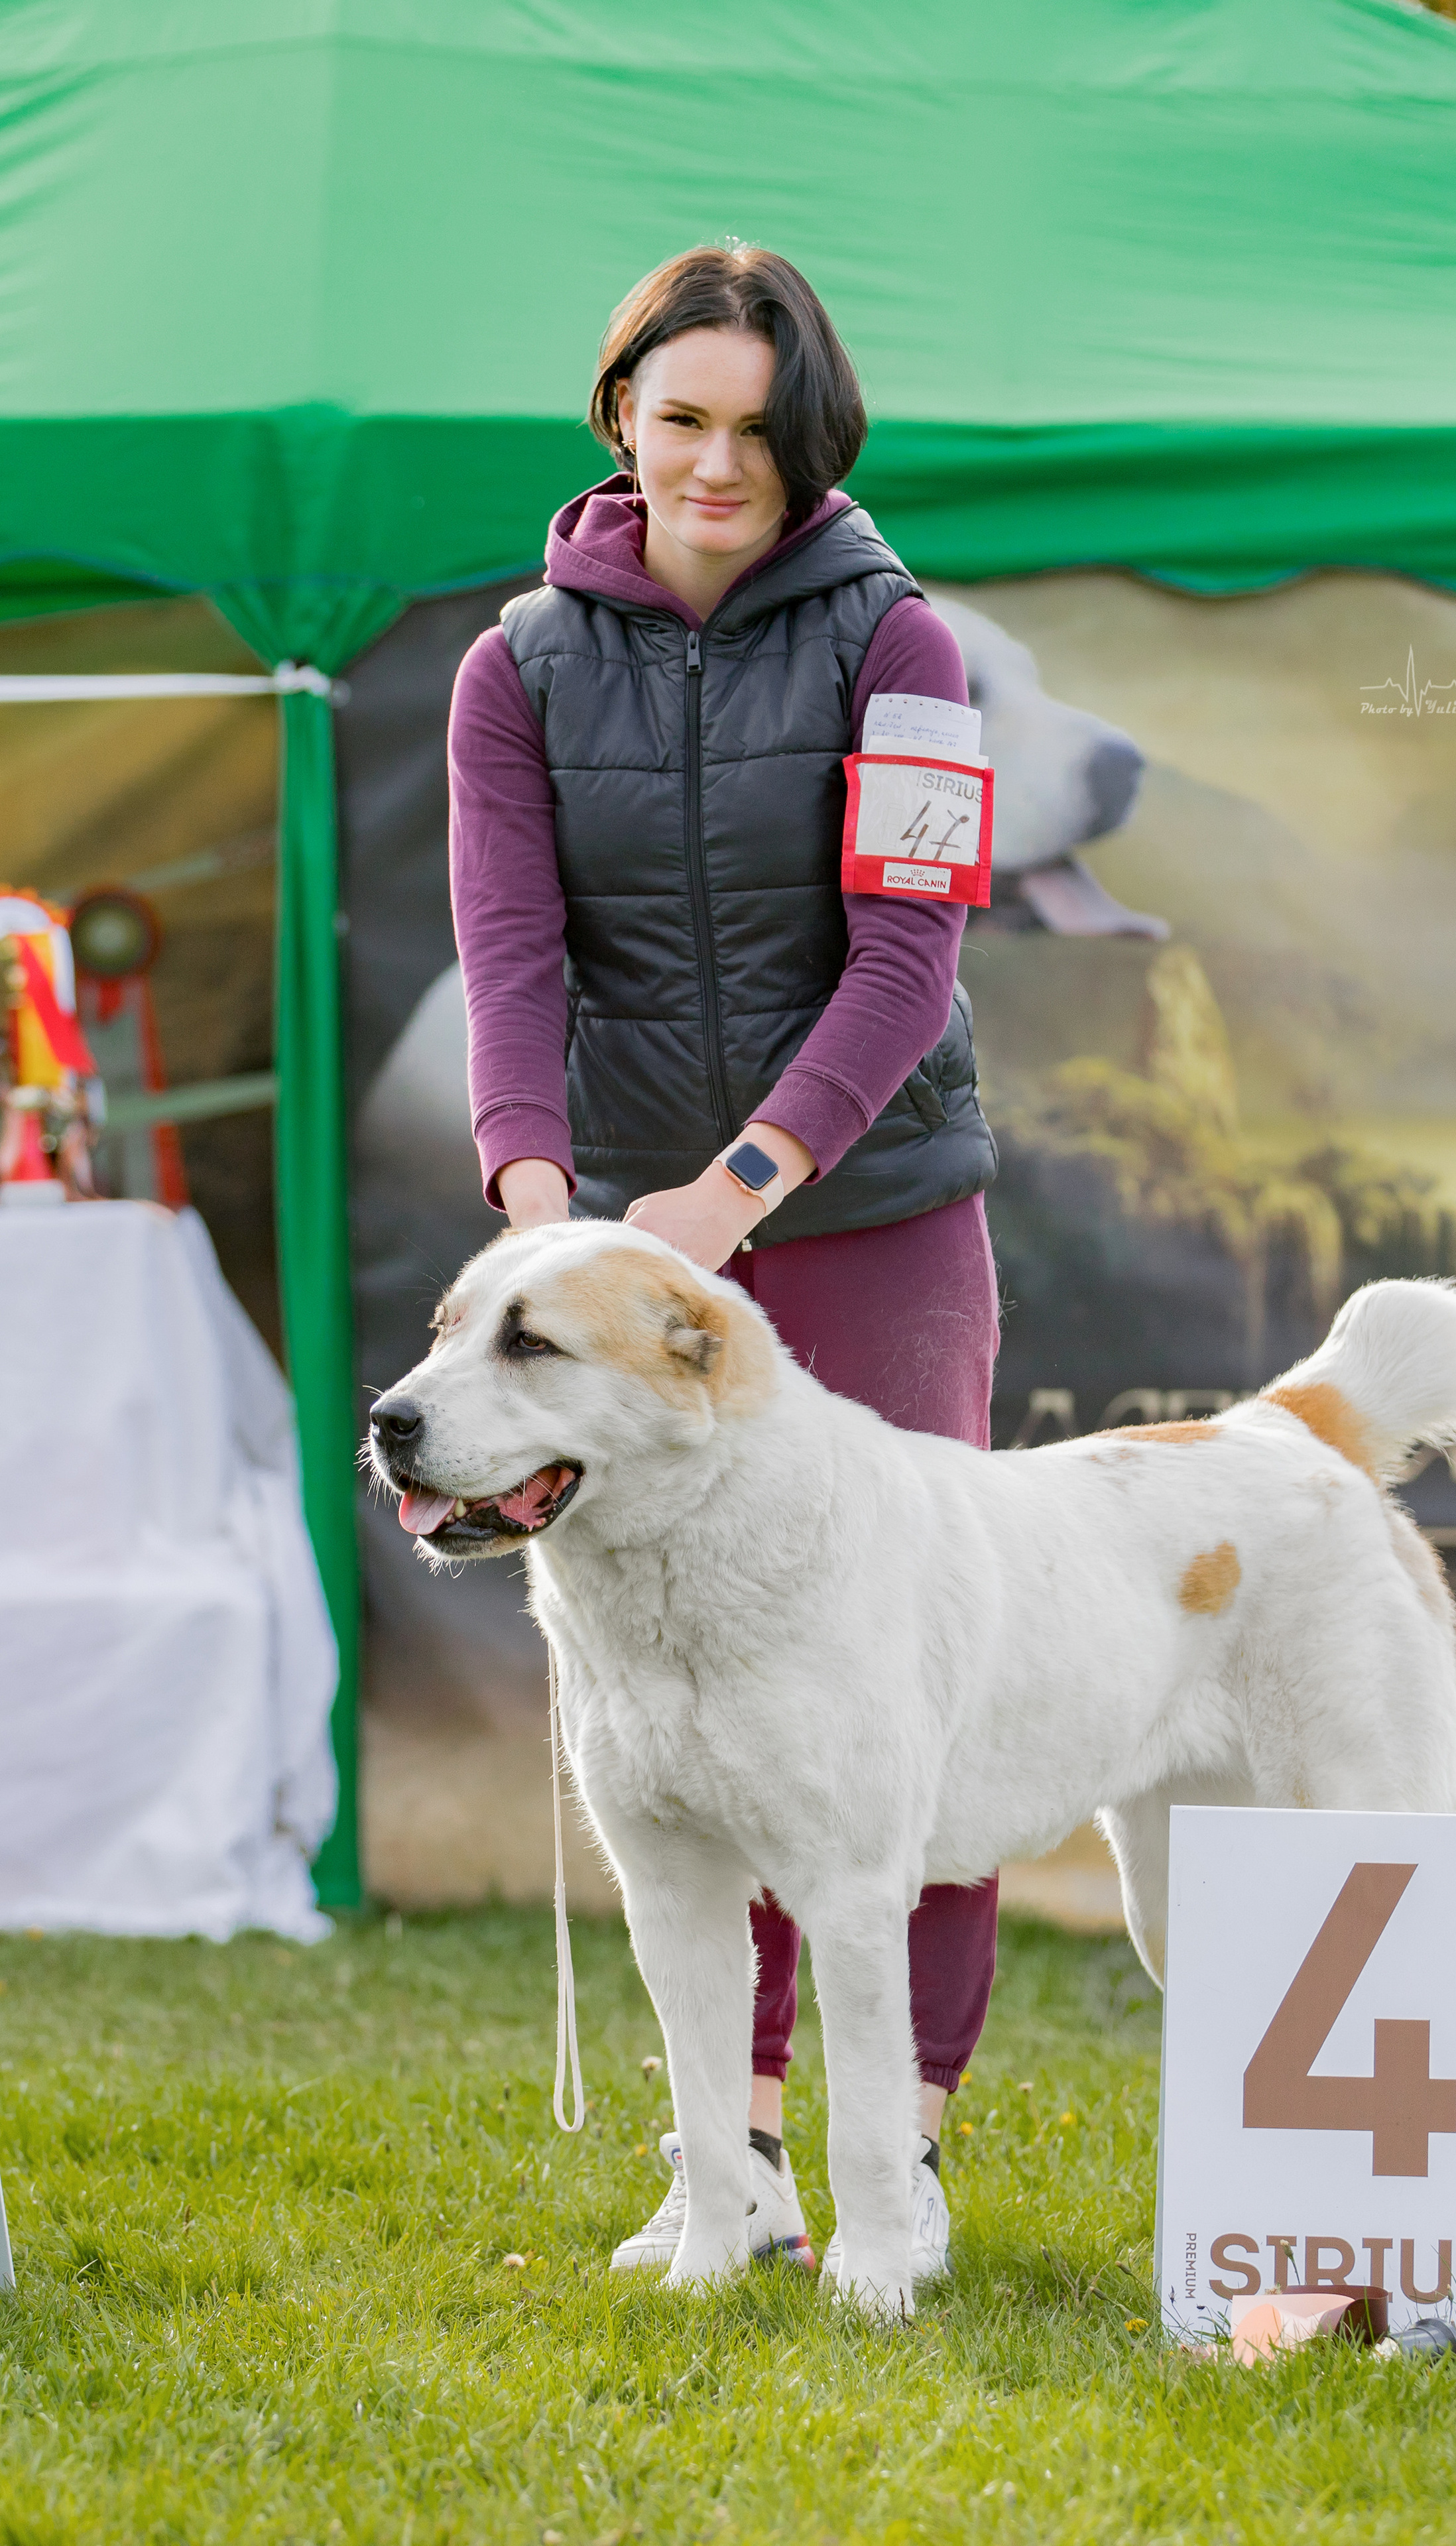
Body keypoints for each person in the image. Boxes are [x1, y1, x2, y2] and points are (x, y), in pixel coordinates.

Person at [447, 243, 1001, 2288]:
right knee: (672, 1690)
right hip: (627, 1248)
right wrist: (536, 1199)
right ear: (620, 422)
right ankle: (738, 2152)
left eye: (758, 430)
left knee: (902, 1681)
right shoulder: (512, 667)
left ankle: (906, 2143)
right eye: (681, 417)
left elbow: (909, 958)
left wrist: (736, 1191)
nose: (717, 462)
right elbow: (511, 960)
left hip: (870, 1216)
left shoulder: (904, 642)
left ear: (811, 441)